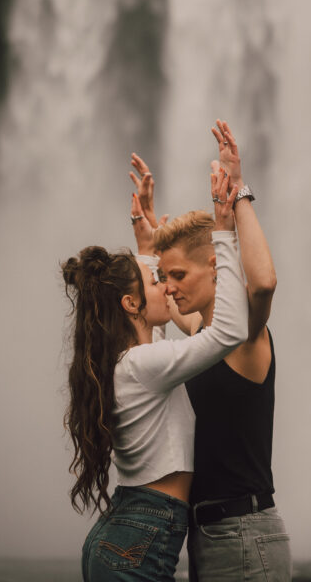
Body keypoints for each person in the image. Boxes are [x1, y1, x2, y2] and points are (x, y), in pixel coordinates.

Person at [62, 163, 248, 582]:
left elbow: (151, 320)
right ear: (130, 305)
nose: (167, 286)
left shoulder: (136, 358)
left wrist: (145, 242)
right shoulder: (146, 365)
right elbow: (231, 330)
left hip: (128, 529)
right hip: (142, 531)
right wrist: (224, 237)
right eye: (156, 280)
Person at [130, 120, 292, 582]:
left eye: (179, 275)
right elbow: (156, 307)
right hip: (212, 536)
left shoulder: (243, 335)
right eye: (167, 277)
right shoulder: (206, 333)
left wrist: (238, 192)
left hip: (244, 533)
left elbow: (263, 282)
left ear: (215, 265)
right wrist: (148, 244)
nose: (170, 287)